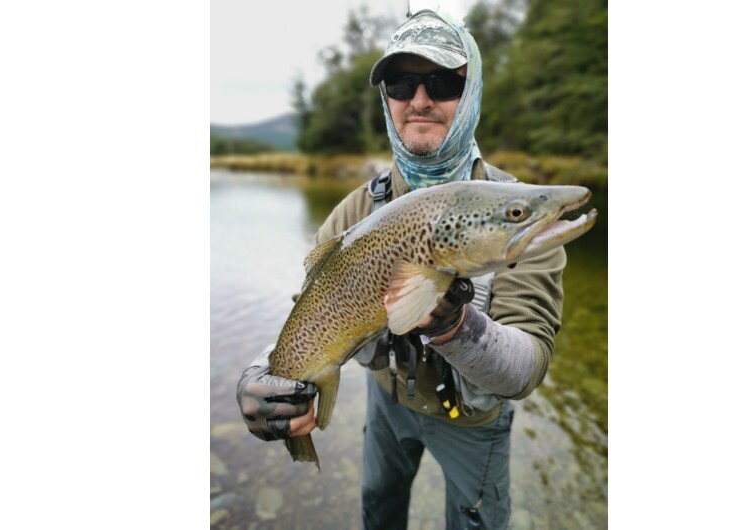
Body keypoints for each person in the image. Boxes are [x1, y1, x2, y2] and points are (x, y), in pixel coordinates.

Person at [237, 9, 567, 529]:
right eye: (400, 83)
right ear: (386, 99)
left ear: (472, 92)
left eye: (441, 82)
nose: (419, 100)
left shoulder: (517, 212)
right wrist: (265, 375)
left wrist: (453, 324)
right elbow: (314, 308)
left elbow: (528, 367)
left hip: (474, 418)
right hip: (387, 403)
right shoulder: (355, 212)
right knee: (378, 508)